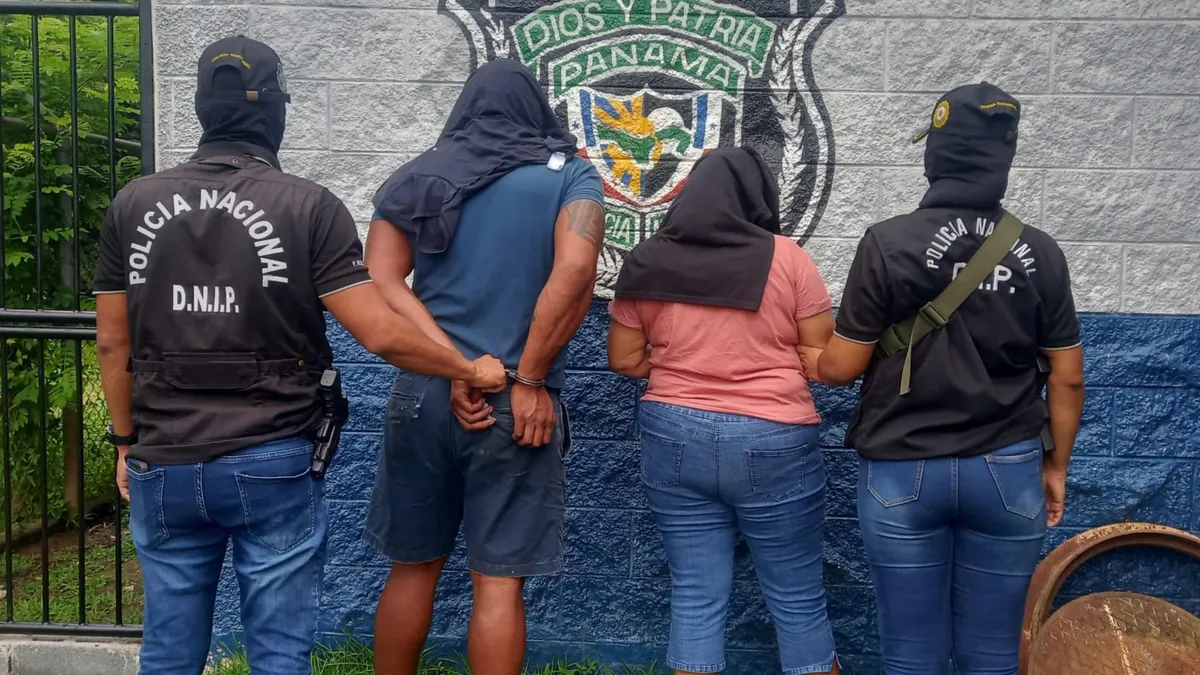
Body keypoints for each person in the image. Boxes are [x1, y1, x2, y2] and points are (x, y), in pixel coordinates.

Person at [94, 36, 506, 675]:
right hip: (272, 456)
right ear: (274, 112)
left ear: (202, 109)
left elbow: (112, 341)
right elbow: (380, 333)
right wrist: (469, 368)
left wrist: (125, 442)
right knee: (280, 654)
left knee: (169, 653)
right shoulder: (309, 206)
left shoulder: (132, 203)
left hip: (163, 458)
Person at [800, 82, 1086, 675]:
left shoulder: (887, 242)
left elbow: (843, 367)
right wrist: (1055, 466)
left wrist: (811, 359)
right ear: (1004, 157)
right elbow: (1067, 378)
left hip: (903, 468)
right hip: (1008, 469)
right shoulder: (1041, 251)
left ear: (937, 154)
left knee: (911, 653)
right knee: (992, 653)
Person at [362, 58, 606, 675]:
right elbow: (577, 269)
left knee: (412, 567)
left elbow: (381, 281)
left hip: (422, 395)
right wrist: (528, 378)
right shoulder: (571, 177)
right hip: (514, 402)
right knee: (496, 582)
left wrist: (454, 367)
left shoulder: (415, 178)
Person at [607, 147, 840, 675]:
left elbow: (623, 359)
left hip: (673, 432)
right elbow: (820, 353)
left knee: (695, 594)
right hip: (773, 435)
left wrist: (682, 363)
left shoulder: (648, 257)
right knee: (797, 599)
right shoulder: (787, 257)